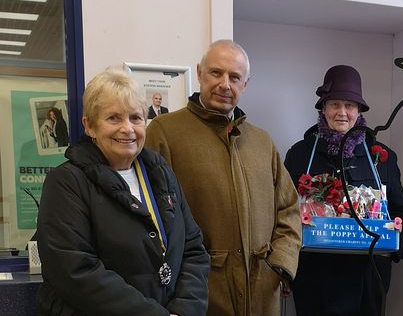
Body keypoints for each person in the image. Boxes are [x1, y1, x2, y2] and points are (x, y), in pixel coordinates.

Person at [145, 40, 301, 316]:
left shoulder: (262, 142)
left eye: (234, 77)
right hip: (200, 293)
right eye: (216, 73)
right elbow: (151, 217)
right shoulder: (164, 132)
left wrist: (281, 263)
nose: (225, 84)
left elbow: (289, 208)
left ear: (245, 85)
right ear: (200, 73)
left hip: (262, 294)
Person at [36, 70, 210, 316]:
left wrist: (185, 310)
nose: (127, 128)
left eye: (136, 118)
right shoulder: (66, 182)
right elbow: (75, 270)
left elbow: (193, 250)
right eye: (114, 118)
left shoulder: (162, 174)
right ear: (90, 126)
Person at [284, 65, 403, 316]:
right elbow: (282, 211)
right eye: (334, 104)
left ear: (359, 110)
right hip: (314, 276)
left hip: (367, 278)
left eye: (350, 105)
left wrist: (391, 249)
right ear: (323, 108)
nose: (342, 112)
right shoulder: (300, 154)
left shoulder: (382, 156)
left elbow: (400, 210)